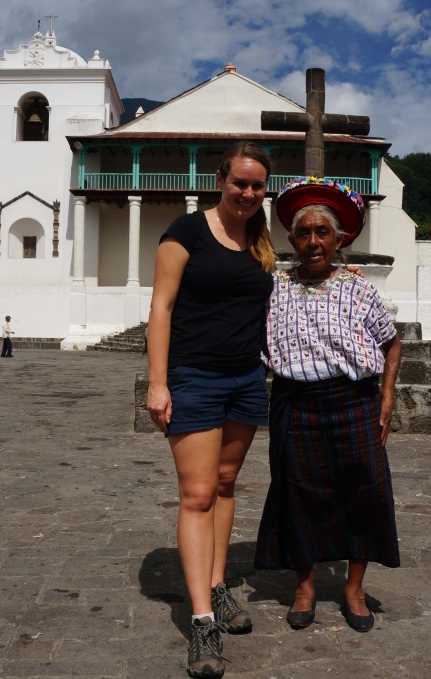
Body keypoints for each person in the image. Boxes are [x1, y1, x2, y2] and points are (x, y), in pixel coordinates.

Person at [146, 141, 275, 679]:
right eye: (239, 182)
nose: (247, 193)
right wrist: (158, 383)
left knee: (225, 486)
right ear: (220, 179)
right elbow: (161, 307)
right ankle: (202, 620)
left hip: (247, 379)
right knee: (197, 494)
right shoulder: (186, 231)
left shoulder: (260, 241)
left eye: (257, 186)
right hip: (194, 377)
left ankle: (219, 587)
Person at [255, 177, 403, 634]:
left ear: (340, 240)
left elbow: (392, 343)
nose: (313, 241)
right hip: (294, 403)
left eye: (323, 232)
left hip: (352, 401)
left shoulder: (359, 290)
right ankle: (305, 587)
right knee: (297, 491)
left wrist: (387, 398)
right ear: (292, 240)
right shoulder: (273, 288)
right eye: (304, 232)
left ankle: (354, 590)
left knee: (366, 490)